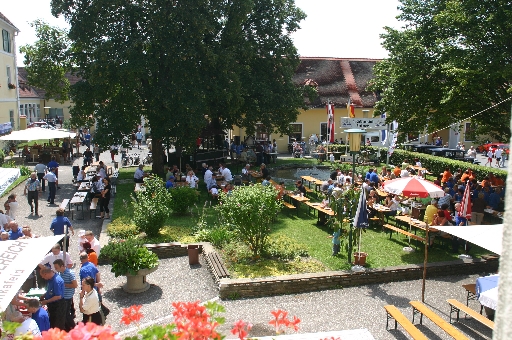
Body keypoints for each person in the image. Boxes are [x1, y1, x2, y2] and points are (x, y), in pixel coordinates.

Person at [53, 259, 77, 331]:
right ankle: (68, 327)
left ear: (62, 266)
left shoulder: (70, 273)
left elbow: (75, 285)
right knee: (64, 313)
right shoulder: (60, 273)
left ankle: (74, 328)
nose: (55, 269)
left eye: (56, 267)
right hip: (63, 296)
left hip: (67, 297)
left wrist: (64, 285)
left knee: (66, 314)